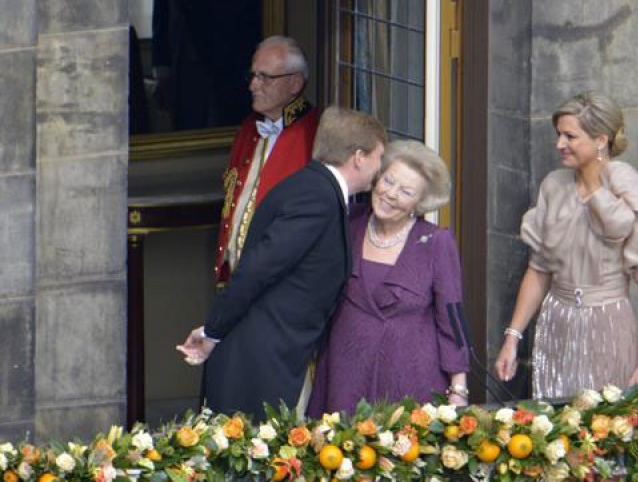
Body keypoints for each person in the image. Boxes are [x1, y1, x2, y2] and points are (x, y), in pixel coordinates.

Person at [177, 108, 386, 416]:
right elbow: (259, 268)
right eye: (379, 157)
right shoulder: (317, 196)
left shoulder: (316, 188)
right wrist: (213, 331)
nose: (379, 168)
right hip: (259, 363)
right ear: (359, 157)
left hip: (274, 356)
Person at [494, 91, 638, 400]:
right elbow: (538, 271)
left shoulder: (628, 189)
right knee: (556, 434)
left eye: (570, 136)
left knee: (607, 428)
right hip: (556, 324)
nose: (559, 144)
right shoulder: (554, 185)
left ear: (601, 140)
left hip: (608, 325)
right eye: (559, 135)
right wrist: (512, 337)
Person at [307, 140, 470, 415]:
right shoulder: (347, 225)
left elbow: (451, 319)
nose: (391, 194)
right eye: (388, 181)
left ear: (420, 203)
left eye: (406, 191)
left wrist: (458, 388)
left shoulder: (436, 242)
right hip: (344, 375)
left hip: (410, 380)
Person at [215, 35, 320, 284]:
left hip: (284, 284)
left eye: (265, 77)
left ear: (294, 83)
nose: (253, 85)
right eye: (252, 76)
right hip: (237, 280)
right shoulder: (248, 129)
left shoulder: (315, 133)